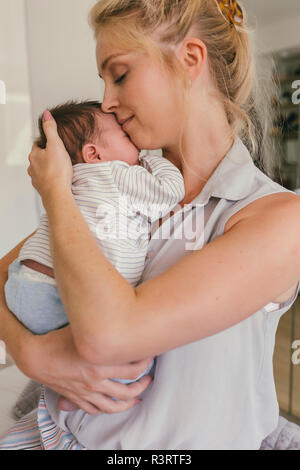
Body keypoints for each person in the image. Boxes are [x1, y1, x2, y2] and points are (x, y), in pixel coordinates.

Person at [1, 0, 300, 450]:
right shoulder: (119, 186)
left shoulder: (278, 220)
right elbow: (5, 273)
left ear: (190, 60)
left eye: (119, 74)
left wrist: (57, 193)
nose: (106, 101)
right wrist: (32, 354)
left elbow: (110, 335)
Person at [4, 100, 184, 395]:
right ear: (93, 154)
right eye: (126, 138)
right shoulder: (117, 174)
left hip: (21, 283)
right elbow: (169, 191)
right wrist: (158, 159)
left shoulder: (71, 181)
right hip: (56, 296)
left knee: (60, 361)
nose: (136, 146)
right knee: (124, 369)